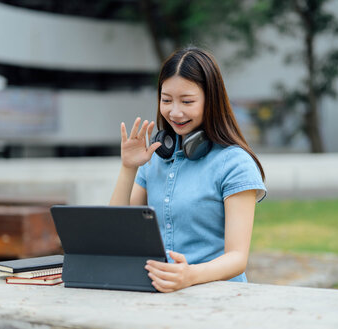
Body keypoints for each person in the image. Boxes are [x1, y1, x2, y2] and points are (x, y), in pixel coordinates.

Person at [110, 47, 266, 293]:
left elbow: (237, 258)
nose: (175, 112)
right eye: (166, 100)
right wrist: (129, 167)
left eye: (187, 101)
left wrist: (190, 275)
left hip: (220, 297)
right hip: (161, 295)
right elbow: (114, 232)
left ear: (210, 100)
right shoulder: (153, 159)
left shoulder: (235, 163)